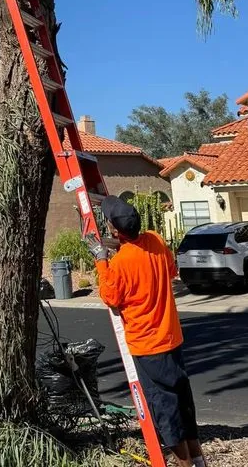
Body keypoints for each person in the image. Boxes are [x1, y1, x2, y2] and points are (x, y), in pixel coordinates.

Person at [86, 196, 206, 467]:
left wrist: (101, 261)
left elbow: (110, 297)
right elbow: (170, 269)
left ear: (115, 230)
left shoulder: (119, 264)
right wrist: (118, 249)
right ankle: (199, 460)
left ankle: (185, 464)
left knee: (166, 413)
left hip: (148, 348)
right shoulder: (154, 240)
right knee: (183, 403)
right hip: (172, 339)